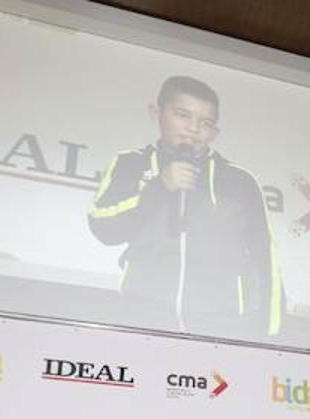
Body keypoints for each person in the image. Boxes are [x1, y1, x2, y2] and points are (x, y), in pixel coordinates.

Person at [88, 74, 284, 339]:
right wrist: (160, 187)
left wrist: (271, 328)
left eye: (205, 123)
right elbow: (104, 227)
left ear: (215, 132)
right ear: (156, 113)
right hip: (142, 316)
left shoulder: (240, 180)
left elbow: (265, 255)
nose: (193, 128)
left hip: (221, 324)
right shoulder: (130, 163)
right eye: (182, 115)